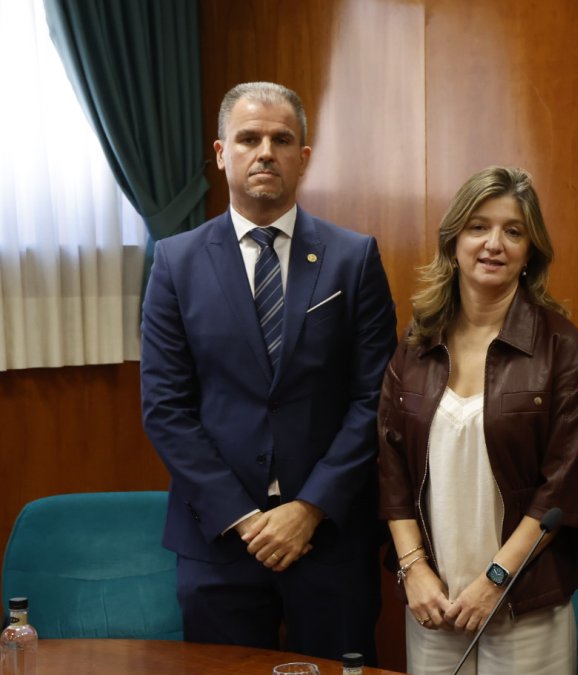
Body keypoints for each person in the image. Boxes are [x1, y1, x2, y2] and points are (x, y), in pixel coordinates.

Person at [140, 82, 397, 662]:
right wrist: (242, 517)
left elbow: (375, 399)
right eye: (248, 138)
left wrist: (308, 509)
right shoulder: (176, 262)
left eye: (282, 140)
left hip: (328, 537)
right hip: (219, 540)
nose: (265, 152)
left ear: (303, 157)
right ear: (220, 152)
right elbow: (166, 409)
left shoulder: (352, 257)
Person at [377, 166, 578, 675]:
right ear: (454, 240)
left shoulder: (560, 345)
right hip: (433, 601)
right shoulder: (416, 342)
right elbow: (391, 468)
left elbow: (562, 487)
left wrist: (495, 580)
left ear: (530, 252)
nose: (493, 244)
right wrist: (414, 571)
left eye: (513, 231)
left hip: (527, 601)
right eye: (478, 227)